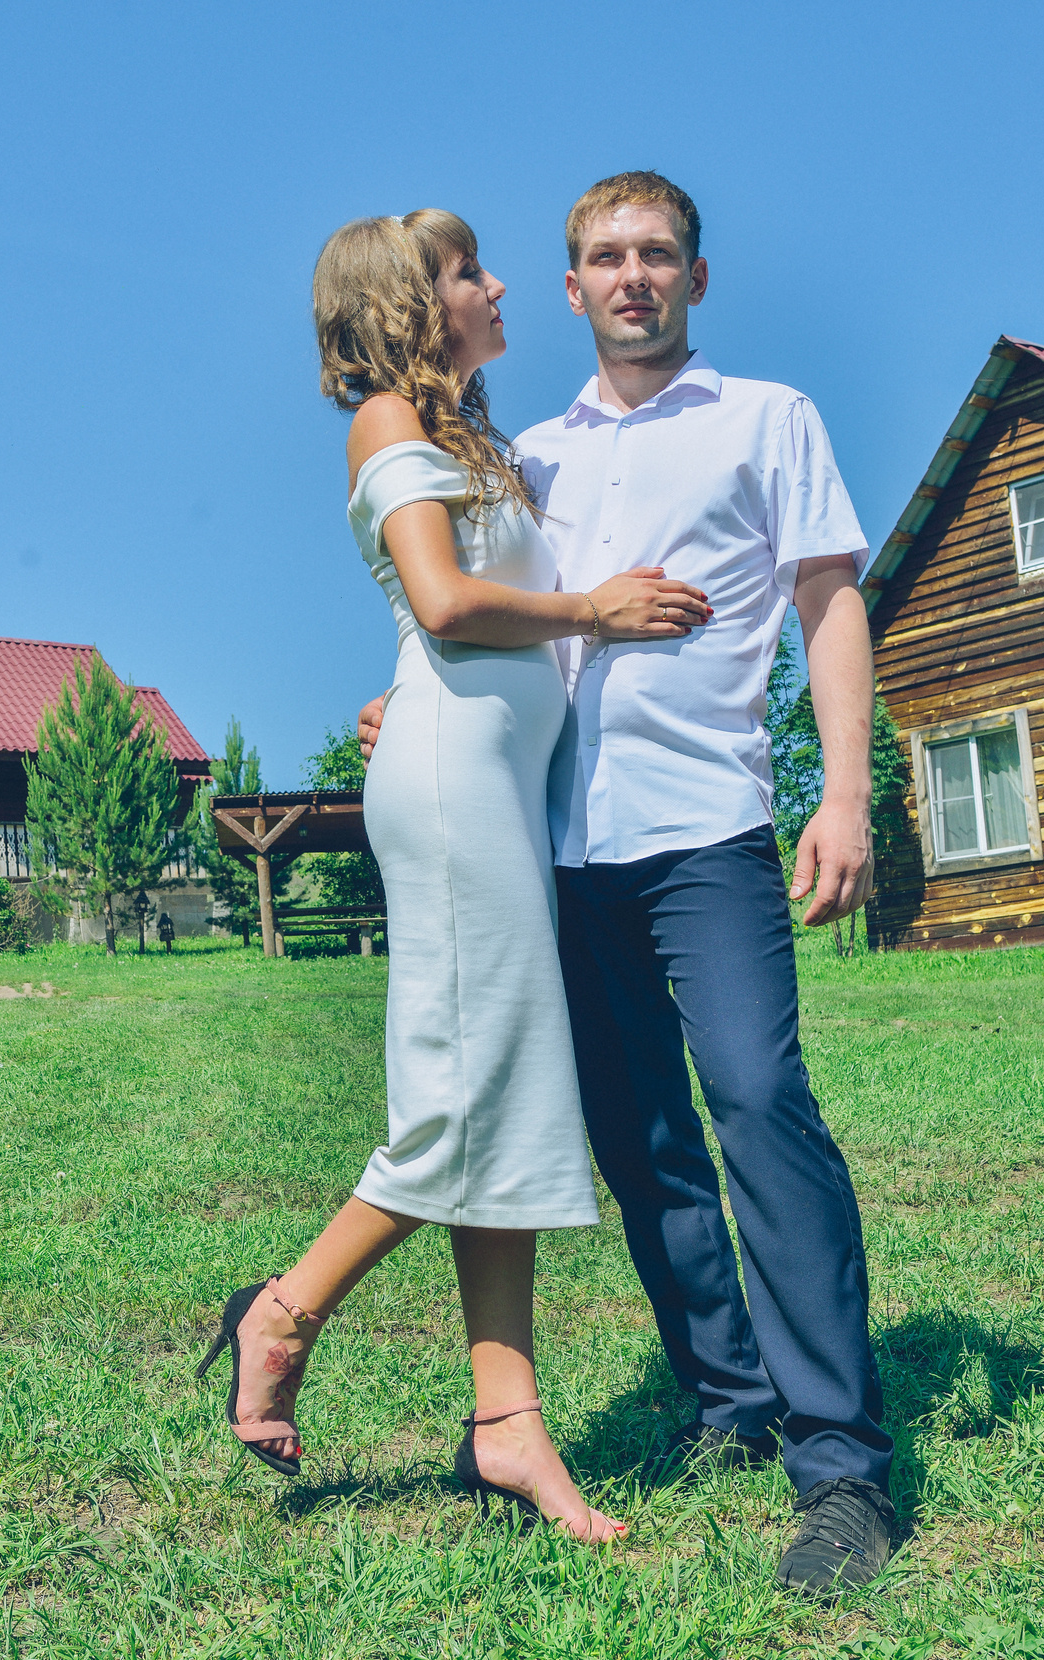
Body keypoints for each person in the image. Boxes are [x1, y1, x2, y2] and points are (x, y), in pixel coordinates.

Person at [357, 172, 897, 1595]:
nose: (631, 275)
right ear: (578, 283)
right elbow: (478, 603)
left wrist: (844, 791)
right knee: (637, 1132)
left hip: (706, 829)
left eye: (657, 254)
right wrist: (403, 705)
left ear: (696, 280)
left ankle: (840, 1462)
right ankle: (727, 1400)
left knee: (760, 1103)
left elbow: (829, 602)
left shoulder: (766, 419)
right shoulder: (525, 449)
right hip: (552, 844)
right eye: (604, 256)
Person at [196, 208, 715, 1546]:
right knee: (458, 1093)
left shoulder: (478, 445)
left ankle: (507, 1425)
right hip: (452, 793)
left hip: (492, 785)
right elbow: (439, 600)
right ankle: (284, 1310)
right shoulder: (388, 425)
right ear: (416, 307)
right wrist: (593, 609)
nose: (497, 289)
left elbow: (452, 628)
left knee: (511, 1097)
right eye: (471, 274)